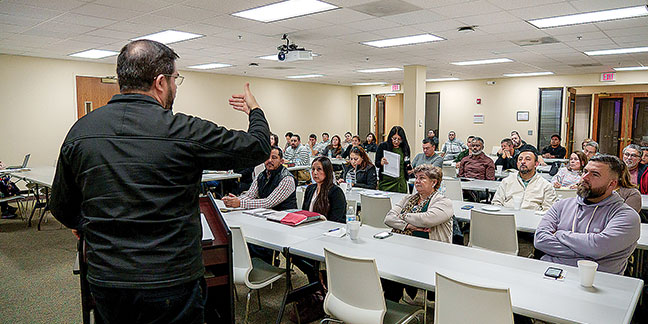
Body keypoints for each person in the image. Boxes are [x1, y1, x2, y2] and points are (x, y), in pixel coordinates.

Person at [50, 40, 271, 324]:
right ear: (160, 82)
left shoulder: (80, 132)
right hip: (171, 280)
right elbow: (258, 146)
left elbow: (62, 208)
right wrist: (255, 110)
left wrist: (86, 224)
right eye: (175, 79)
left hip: (108, 280)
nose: (175, 87)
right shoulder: (184, 130)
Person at [534, 155, 640, 275]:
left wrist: (559, 234)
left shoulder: (626, 216)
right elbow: (540, 240)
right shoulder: (561, 205)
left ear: (612, 184)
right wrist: (589, 254)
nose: (584, 177)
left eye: (595, 174)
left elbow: (597, 247)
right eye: (585, 171)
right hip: (551, 274)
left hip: (599, 284)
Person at [383, 164, 452, 302]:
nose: (417, 181)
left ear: (434, 182)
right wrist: (409, 225)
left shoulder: (444, 202)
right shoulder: (409, 199)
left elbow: (427, 219)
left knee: (395, 267)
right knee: (387, 272)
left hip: (432, 252)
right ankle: (389, 308)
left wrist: (402, 216)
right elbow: (388, 218)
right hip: (406, 247)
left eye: (422, 178)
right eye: (416, 178)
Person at [222, 146, 296, 210]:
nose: (270, 160)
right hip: (268, 214)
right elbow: (250, 195)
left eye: (274, 158)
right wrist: (234, 200)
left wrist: (239, 203)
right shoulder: (261, 175)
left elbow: (269, 202)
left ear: (281, 161)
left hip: (285, 217)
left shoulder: (287, 179)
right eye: (267, 157)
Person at [492, 150, 557, 211]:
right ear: (517, 164)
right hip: (507, 218)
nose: (523, 162)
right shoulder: (507, 181)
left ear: (536, 164)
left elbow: (549, 211)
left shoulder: (545, 185)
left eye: (528, 159)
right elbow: (496, 202)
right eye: (520, 159)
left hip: (532, 220)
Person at [376, 126, 411, 193]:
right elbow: (377, 163)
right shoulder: (383, 146)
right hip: (386, 181)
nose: (396, 141)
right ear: (390, 137)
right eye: (394, 139)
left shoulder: (405, 147)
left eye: (399, 139)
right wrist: (381, 162)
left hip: (400, 181)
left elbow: (407, 162)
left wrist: (409, 167)